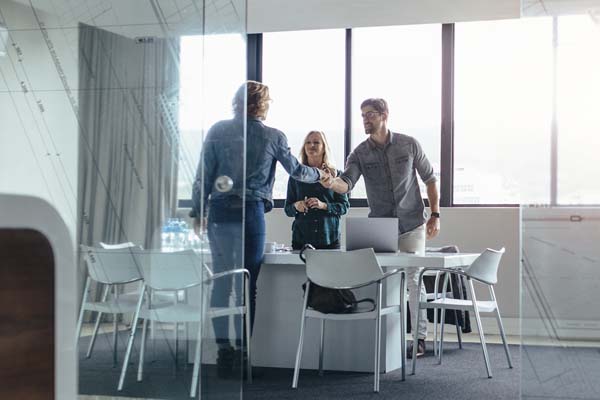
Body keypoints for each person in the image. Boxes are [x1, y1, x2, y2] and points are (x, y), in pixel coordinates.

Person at [191, 81, 329, 377]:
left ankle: (223, 351)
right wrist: (322, 174)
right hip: (251, 213)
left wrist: (197, 211)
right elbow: (297, 171)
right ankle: (242, 354)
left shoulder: (217, 130)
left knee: (222, 283)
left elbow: (203, 175)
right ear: (262, 105)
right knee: (247, 285)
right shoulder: (273, 136)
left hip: (219, 211)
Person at [320, 98, 440, 358]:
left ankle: (418, 339)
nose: (365, 119)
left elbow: (430, 179)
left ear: (385, 115)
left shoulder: (409, 144)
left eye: (370, 114)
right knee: (385, 281)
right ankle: (388, 341)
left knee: (414, 280)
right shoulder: (360, 153)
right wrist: (332, 184)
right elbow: (347, 183)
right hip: (382, 227)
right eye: (362, 115)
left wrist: (435, 214)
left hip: (412, 224)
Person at [284, 131, 349, 250]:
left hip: (329, 238)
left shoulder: (336, 175)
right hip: (301, 239)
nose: (311, 145)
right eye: (308, 142)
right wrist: (296, 206)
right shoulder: (296, 177)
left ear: (324, 147)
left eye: (316, 142)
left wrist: (323, 205)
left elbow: (344, 207)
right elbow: (288, 210)